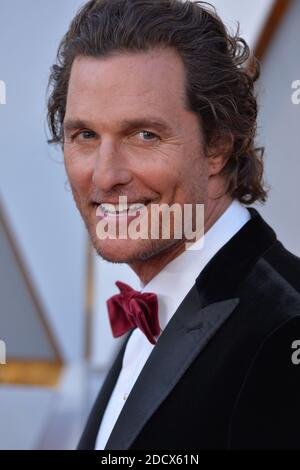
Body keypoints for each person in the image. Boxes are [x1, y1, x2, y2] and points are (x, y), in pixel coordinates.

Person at [47, 0, 300, 450]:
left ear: (218, 144)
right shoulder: (155, 305)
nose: (105, 175)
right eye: (85, 135)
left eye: (144, 135)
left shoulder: (284, 327)